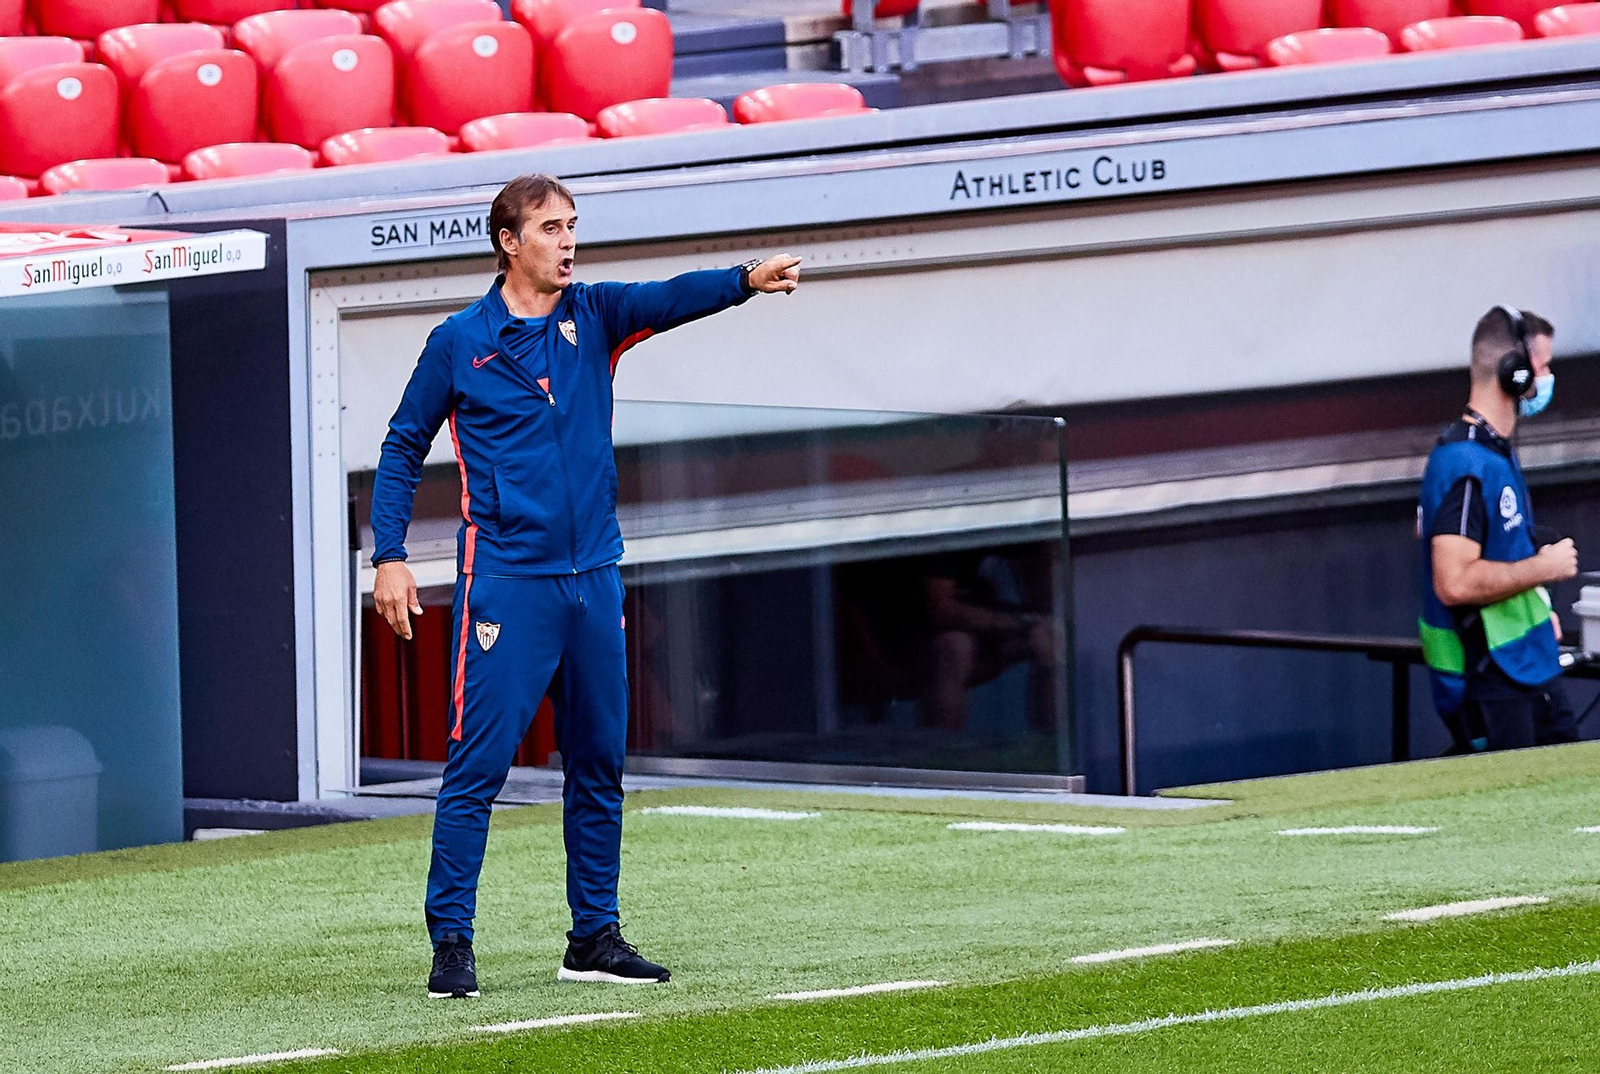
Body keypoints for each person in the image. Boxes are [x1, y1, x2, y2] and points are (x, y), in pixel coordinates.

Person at [368, 173, 801, 999]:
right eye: (551, 228)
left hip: (595, 578)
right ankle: (452, 944)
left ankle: (593, 937)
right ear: (509, 242)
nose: (568, 241)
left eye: (573, 226)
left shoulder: (593, 315)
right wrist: (390, 555)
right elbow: (399, 448)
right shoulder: (459, 341)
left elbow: (669, 296)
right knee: (478, 769)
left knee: (599, 762)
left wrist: (743, 281)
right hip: (507, 583)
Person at [1418, 306, 1580, 754]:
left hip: (1529, 665)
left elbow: (1501, 549)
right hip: (1491, 677)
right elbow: (1453, 582)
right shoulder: (1464, 463)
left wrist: (1537, 604)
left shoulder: (1493, 453)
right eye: (1542, 365)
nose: (1546, 377)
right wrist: (1542, 569)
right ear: (1513, 372)